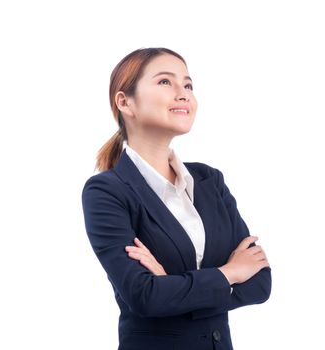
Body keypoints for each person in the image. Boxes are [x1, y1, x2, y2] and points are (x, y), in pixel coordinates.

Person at [81, 47, 272, 350]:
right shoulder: (107, 191)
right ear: (124, 102)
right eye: (166, 82)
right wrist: (230, 273)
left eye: (188, 84)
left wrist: (172, 285)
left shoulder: (210, 181)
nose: (183, 94)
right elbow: (145, 297)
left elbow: (261, 284)